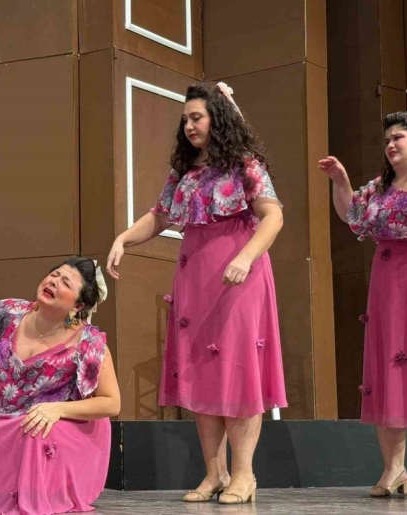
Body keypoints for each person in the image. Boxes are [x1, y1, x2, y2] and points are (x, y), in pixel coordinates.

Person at [107, 81, 286, 504]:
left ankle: (244, 475)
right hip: (195, 280)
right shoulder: (184, 172)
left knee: (237, 374)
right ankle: (214, 473)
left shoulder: (244, 164)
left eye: (197, 117)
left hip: (239, 277)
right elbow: (159, 216)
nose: (189, 125)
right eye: (185, 119)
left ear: (216, 119)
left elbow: (273, 217)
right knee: (202, 373)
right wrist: (123, 239)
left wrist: (246, 257)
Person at [0, 256, 120, 515]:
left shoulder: (87, 341)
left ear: (78, 304)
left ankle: (40, 496)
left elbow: (111, 403)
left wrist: (57, 409)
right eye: (54, 275)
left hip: (59, 425)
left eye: (65, 282)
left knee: (35, 433)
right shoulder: (11, 313)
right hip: (3, 419)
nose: (54, 282)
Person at [319, 111, 407, 501]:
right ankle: (393, 469)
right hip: (386, 284)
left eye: (398, 137)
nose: (390, 144)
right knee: (387, 373)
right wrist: (341, 181)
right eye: (387, 139)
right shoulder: (379, 187)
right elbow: (351, 215)